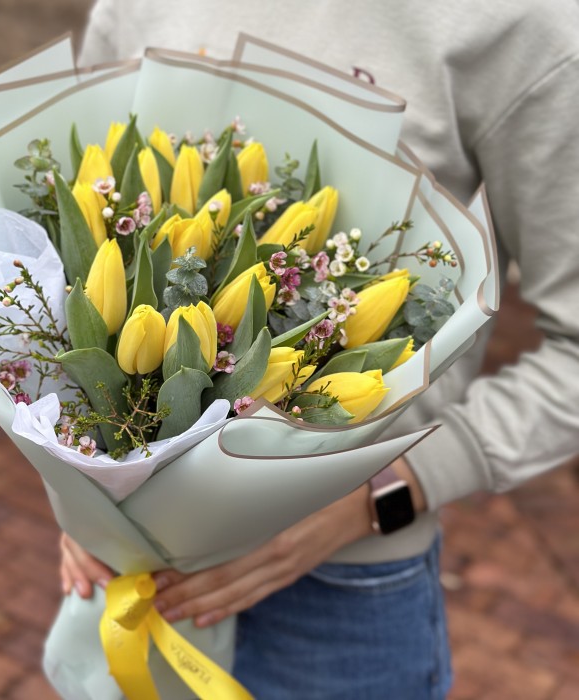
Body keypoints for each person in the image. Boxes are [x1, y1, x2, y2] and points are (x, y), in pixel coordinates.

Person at [61, 1, 579, 697]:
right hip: (131, 563)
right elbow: (83, 239)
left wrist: (380, 498)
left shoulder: (517, 22)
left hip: (340, 589)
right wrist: (82, 483)